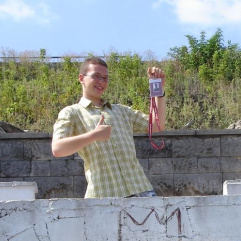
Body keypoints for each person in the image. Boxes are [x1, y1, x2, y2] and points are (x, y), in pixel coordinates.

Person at [51, 57, 166, 198]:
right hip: (103, 196)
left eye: (105, 78)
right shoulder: (72, 112)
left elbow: (156, 125)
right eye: (96, 76)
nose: (101, 82)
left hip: (141, 190)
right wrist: (93, 135)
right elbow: (57, 149)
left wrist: (158, 88)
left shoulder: (121, 110)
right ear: (81, 78)